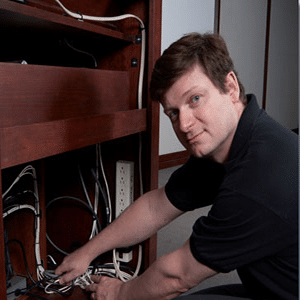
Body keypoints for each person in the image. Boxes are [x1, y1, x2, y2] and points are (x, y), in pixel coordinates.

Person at [55, 33, 298, 300]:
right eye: (173, 112)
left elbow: (179, 275)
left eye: (194, 99)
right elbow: (156, 206)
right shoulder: (233, 141)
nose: (183, 125)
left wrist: (121, 292)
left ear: (230, 87)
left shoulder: (257, 179)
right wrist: (88, 252)